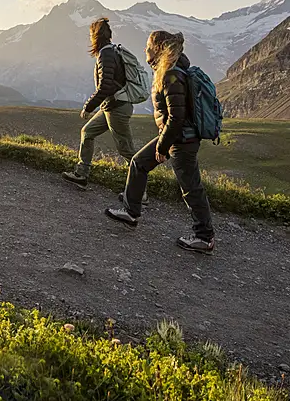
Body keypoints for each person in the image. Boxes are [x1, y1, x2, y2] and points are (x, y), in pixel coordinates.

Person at [105, 30, 215, 254]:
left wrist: (163, 147)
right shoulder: (170, 70)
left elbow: (176, 117)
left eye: (148, 46)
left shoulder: (171, 75)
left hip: (180, 140)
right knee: (139, 163)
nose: (145, 49)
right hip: (176, 136)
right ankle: (131, 212)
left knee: (190, 187)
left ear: (158, 48)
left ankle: (204, 238)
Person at [61, 17, 137, 187]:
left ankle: (140, 192)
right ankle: (81, 174)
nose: (89, 38)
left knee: (126, 150)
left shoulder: (106, 54)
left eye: (90, 35)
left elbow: (105, 86)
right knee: (87, 133)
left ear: (95, 36)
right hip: (111, 106)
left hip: (117, 108)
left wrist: (88, 107)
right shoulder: (110, 51)